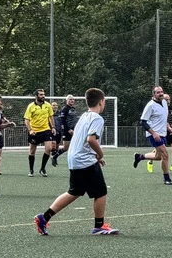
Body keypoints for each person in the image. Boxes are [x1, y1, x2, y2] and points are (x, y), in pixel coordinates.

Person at [35, 88, 118, 236]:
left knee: (74, 192)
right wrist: (100, 154)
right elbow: (91, 139)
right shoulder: (97, 118)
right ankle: (99, 226)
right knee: (101, 192)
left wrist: (95, 155)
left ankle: (44, 217)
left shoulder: (84, 116)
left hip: (74, 158)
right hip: (84, 160)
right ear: (101, 102)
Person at [133, 85, 172, 184]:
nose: (161, 93)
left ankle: (140, 157)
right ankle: (167, 179)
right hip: (154, 135)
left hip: (162, 134)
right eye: (158, 92)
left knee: (158, 157)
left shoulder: (164, 102)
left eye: (161, 91)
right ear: (154, 94)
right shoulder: (150, 105)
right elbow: (143, 122)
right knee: (165, 155)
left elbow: (163, 118)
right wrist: (154, 133)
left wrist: (169, 128)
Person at [24, 88, 56, 177]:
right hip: (35, 131)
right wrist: (30, 130)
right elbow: (26, 120)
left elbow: (51, 117)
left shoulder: (48, 105)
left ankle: (42, 169)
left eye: (43, 94)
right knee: (32, 151)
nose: (43, 96)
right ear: (36, 96)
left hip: (46, 130)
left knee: (49, 148)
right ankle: (31, 170)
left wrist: (53, 127)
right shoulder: (31, 106)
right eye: (41, 94)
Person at [52, 94, 79, 167]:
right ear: (67, 100)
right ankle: (54, 156)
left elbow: (74, 119)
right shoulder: (65, 109)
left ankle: (76, 160)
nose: (72, 100)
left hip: (74, 130)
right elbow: (62, 121)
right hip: (67, 131)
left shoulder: (73, 109)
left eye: (73, 99)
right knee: (65, 147)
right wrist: (68, 129)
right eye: (70, 99)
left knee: (76, 145)